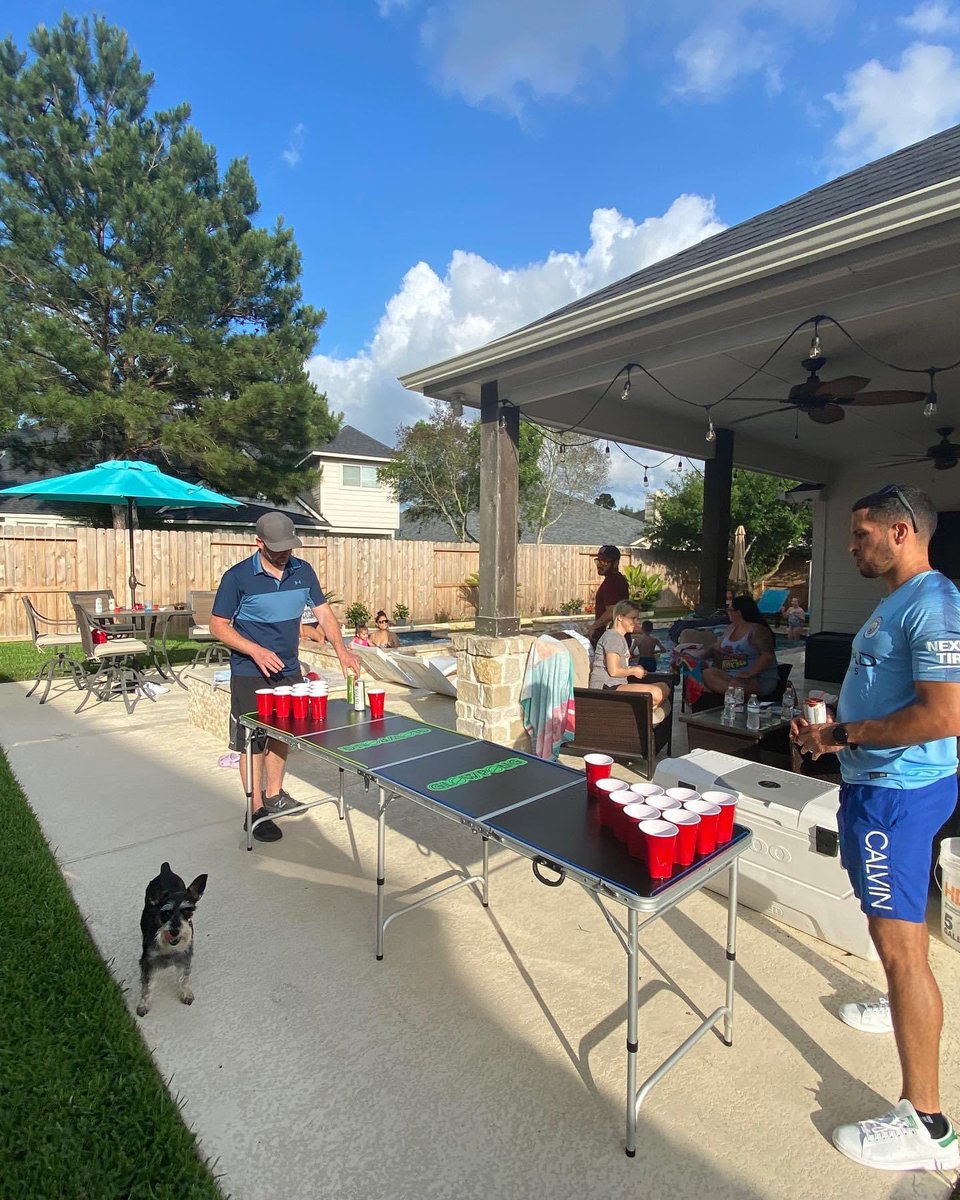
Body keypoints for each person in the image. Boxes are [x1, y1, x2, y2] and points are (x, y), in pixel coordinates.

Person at [792, 483, 960, 1174]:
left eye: (861, 535)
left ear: (900, 532)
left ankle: (927, 1122)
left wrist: (845, 733)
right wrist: (834, 733)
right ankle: (894, 1000)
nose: (851, 546)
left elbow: (945, 715)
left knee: (902, 952)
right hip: (878, 785)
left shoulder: (935, 603)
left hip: (896, 797)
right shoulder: (901, 602)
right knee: (888, 930)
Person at [210, 512, 360, 843]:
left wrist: (343, 651)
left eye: (287, 547)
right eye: (276, 548)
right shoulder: (237, 578)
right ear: (258, 542)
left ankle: (275, 793)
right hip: (251, 672)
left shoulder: (302, 570)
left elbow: (324, 614)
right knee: (252, 742)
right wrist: (255, 650)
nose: (283, 554)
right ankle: (256, 810)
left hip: (289, 670)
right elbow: (218, 625)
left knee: (282, 735)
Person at [588, 599, 670, 707]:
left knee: (664, 687)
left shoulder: (618, 637)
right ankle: (637, 716)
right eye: (632, 618)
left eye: (637, 618)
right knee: (656, 693)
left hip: (615, 685)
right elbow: (614, 671)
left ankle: (640, 714)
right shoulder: (613, 638)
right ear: (620, 617)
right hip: (605, 688)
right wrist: (634, 670)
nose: (636, 622)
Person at [700, 593, 779, 698]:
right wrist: (697, 656)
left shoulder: (757, 630)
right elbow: (715, 648)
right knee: (707, 674)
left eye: (730, 609)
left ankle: (737, 695)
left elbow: (767, 655)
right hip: (732, 675)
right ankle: (738, 695)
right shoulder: (731, 628)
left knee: (734, 685)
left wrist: (750, 674)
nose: (728, 612)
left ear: (739, 612)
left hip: (757, 678)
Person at [587, 545, 629, 649]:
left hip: (611, 640)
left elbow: (612, 611)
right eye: (598, 561)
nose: (599, 565)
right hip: (616, 638)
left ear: (615, 563)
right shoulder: (618, 580)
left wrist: (594, 627)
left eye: (604, 562)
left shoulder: (612, 582)